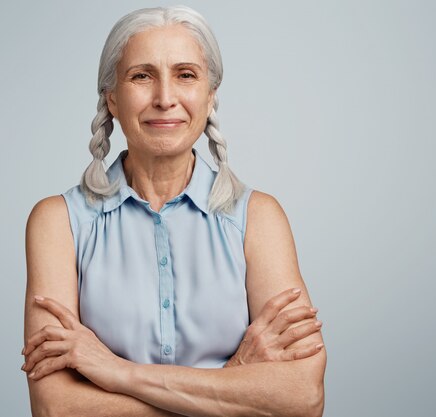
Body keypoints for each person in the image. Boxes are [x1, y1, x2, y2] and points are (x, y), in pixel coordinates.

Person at [21, 6, 326, 417]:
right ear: (112, 97)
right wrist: (235, 379)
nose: (165, 99)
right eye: (142, 76)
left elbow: (302, 398)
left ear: (210, 95)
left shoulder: (260, 218)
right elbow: (56, 408)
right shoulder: (57, 223)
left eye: (185, 75)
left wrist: (116, 372)